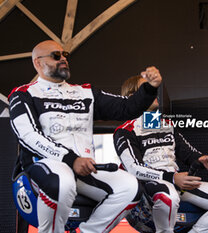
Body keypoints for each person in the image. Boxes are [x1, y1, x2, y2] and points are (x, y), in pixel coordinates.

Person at [8, 40, 162, 233]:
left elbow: (126, 108)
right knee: (61, 181)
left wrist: (149, 88)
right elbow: (28, 135)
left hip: (84, 169)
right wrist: (71, 159)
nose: (63, 59)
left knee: (130, 187)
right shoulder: (23, 94)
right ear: (37, 63)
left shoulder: (85, 92)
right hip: (45, 166)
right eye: (56, 56)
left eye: (65, 55)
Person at [113, 75, 208, 233]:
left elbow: (188, 153)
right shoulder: (125, 131)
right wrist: (172, 178)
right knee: (169, 197)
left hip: (177, 184)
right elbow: (134, 169)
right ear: (133, 97)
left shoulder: (167, 125)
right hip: (148, 189)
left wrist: (201, 158)